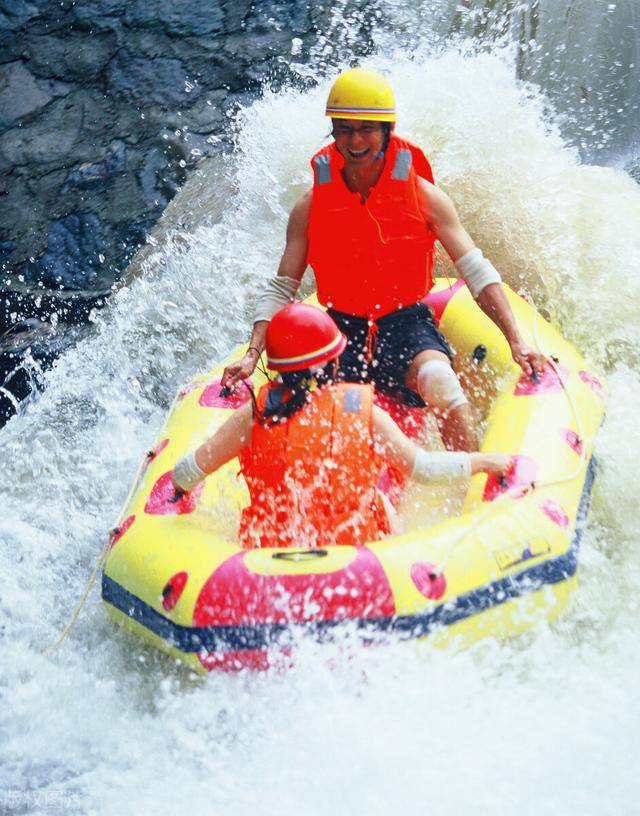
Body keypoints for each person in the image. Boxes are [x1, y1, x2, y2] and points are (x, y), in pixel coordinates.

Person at [221, 67, 545, 452]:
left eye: (366, 128)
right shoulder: (309, 206)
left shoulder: (424, 196)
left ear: (387, 131)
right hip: (338, 334)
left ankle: (470, 484)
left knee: (441, 382)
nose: (355, 140)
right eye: (344, 128)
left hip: (405, 323)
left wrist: (516, 340)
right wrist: (252, 352)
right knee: (308, 421)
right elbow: (282, 288)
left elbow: (475, 270)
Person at [173, 304, 511, 549]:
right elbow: (425, 469)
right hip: (357, 554)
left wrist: (174, 491)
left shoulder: (252, 415)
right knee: (381, 498)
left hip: (268, 554)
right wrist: (485, 462)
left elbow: (187, 473)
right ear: (334, 362)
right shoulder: (364, 413)